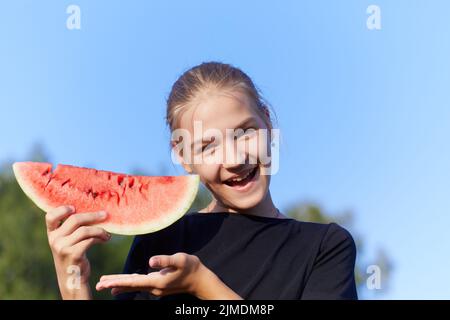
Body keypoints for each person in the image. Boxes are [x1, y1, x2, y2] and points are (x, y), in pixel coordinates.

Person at [45, 62, 358, 300]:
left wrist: (203, 285)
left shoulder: (325, 247)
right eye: (208, 146)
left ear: (267, 120)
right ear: (182, 157)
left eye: (245, 132)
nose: (235, 158)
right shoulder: (159, 241)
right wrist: (73, 283)